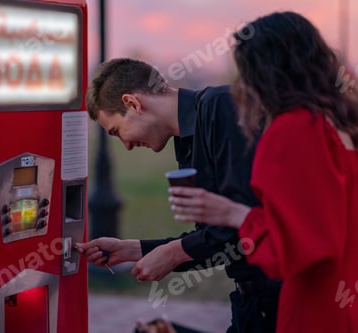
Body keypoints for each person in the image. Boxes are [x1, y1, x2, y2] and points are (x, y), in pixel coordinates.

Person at [167, 12, 358, 332]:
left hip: (313, 310)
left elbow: (300, 251)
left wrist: (236, 215)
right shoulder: (341, 124)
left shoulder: (291, 131)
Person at [76, 57, 281, 332]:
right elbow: (216, 241)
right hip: (251, 303)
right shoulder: (187, 142)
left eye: (117, 131)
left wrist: (173, 253)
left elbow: (245, 220)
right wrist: (133, 250)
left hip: (286, 298)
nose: (125, 145)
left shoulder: (222, 106)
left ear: (132, 104)